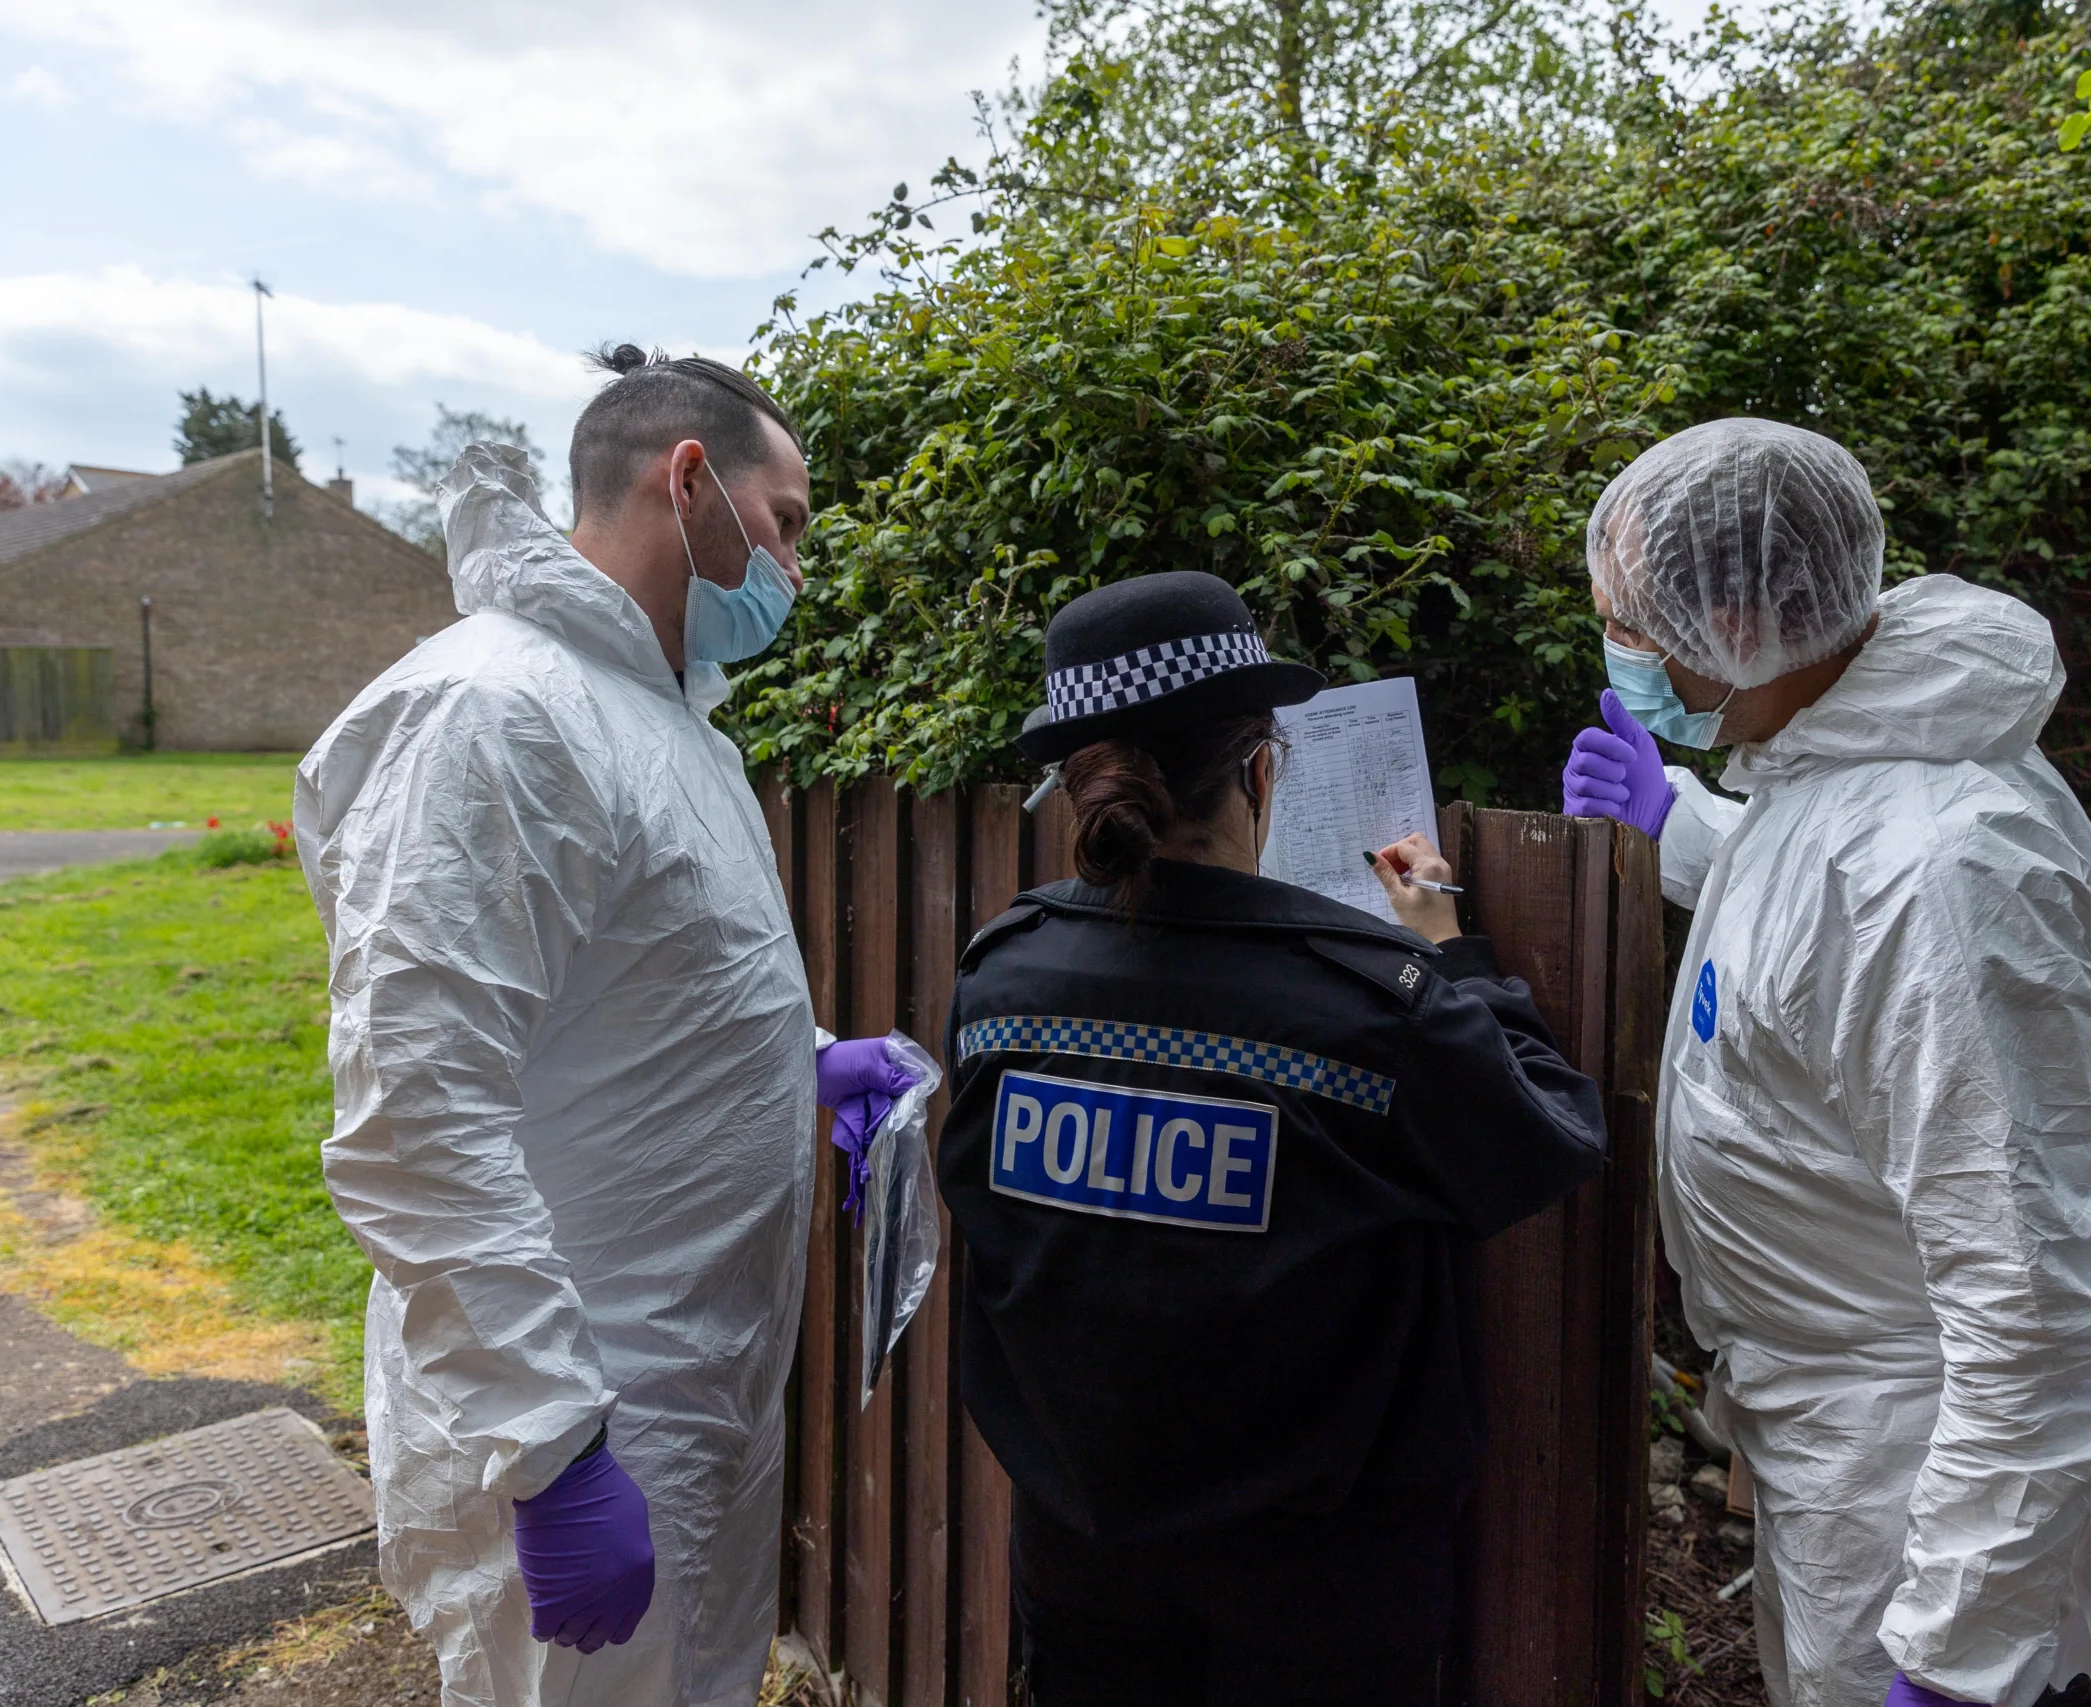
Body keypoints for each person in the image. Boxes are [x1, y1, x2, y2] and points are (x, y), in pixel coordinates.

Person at [294, 345, 912, 1707]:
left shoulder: (667, 721)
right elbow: (417, 1107)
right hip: (577, 1408)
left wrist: (806, 1066)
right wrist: (554, 1450)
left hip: (680, 1395)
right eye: (789, 520)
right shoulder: (495, 711)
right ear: (687, 479)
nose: (799, 571)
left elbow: (626, 1008)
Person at [1561, 419, 2091, 1707]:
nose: (1616, 644)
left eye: (1626, 617)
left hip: (1916, 1464)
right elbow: (1821, 946)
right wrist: (1680, 830)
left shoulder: (1938, 870)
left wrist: (1952, 1663)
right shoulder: (1843, 758)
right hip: (1843, 1418)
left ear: (1726, 614)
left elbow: (2033, 1317)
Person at [937, 570, 1610, 1706]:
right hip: (1323, 1588)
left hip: (1080, 1549)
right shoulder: (1369, 1006)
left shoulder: (1000, 977)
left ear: (1083, 781)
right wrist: (1446, 950)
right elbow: (1549, 1134)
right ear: (1261, 768)